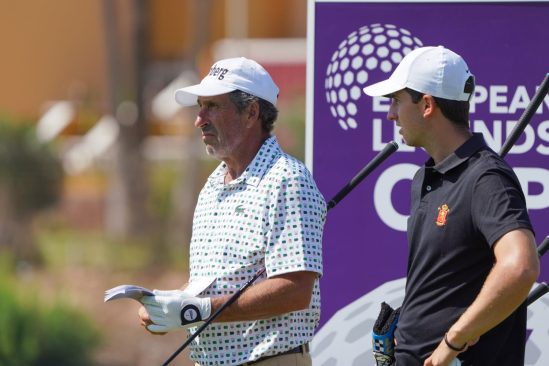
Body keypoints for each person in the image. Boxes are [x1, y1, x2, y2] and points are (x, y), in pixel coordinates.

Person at [138, 57, 326, 366]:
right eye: (201, 106)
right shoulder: (213, 185)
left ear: (252, 113)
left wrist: (196, 311)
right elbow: (213, 280)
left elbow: (295, 290)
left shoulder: (287, 180)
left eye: (212, 106)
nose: (199, 119)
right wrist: (171, 304)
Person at [363, 46, 540, 366]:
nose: (391, 114)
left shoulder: (487, 176)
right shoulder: (423, 178)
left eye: (397, 101)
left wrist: (452, 341)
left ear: (427, 105)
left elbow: (520, 266)